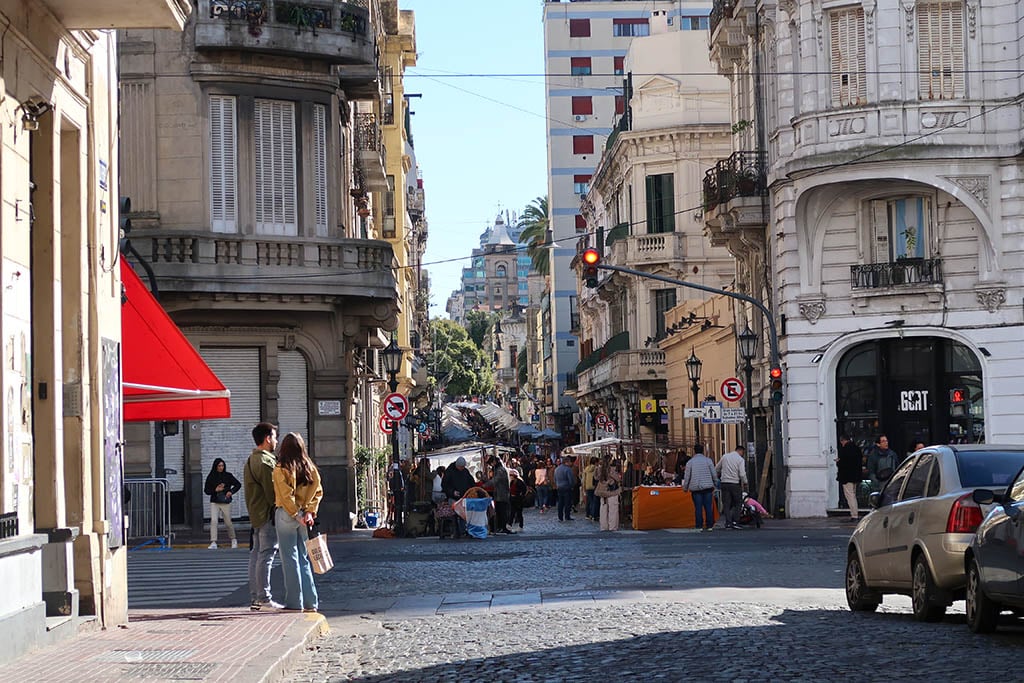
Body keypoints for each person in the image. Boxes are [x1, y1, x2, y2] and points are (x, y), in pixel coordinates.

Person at [273, 432, 323, 612]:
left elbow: (285, 496)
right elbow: (318, 491)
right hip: (305, 516)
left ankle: (295, 602)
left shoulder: (281, 468)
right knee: (303, 558)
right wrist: (309, 512)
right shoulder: (310, 467)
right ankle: (311, 602)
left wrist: (296, 514)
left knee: (289, 559)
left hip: (287, 515)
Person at [244, 422, 281, 610]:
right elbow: (272, 493)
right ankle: (264, 598)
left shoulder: (252, 459)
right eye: (274, 437)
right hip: (266, 514)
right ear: (267, 439)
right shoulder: (266, 461)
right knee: (266, 554)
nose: (276, 440)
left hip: (256, 513)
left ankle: (255, 597)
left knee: (256, 554)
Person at [204, 457, 241, 549]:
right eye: (219, 466)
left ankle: (233, 539)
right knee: (214, 521)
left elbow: (238, 484)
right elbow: (206, 490)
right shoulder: (211, 476)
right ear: (215, 466)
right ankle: (213, 541)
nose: (221, 467)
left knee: (228, 522)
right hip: (215, 501)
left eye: (222, 466)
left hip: (226, 501)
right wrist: (215, 490)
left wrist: (231, 492)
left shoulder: (228, 476)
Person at [683, 444, 718, 532]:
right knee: (708, 507)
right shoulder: (708, 461)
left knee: (698, 508)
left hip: (696, 488)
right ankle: (709, 525)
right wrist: (715, 482)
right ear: (702, 451)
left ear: (694, 451)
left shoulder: (690, 462)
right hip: (707, 487)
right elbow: (714, 474)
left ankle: (699, 525)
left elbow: (687, 476)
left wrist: (685, 487)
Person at [442, 457, 475, 537]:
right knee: (458, 509)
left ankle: (465, 530)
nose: (462, 469)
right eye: (461, 467)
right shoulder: (449, 471)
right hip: (453, 498)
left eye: (463, 467)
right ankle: (459, 530)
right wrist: (452, 492)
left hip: (464, 497)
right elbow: (444, 485)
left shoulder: (465, 471)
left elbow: (471, 482)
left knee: (469, 509)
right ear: (457, 465)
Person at [716, 446, 748, 530]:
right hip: (734, 483)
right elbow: (742, 473)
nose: (743, 455)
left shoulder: (725, 457)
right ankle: (735, 521)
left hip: (724, 483)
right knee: (738, 502)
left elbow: (717, 468)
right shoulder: (740, 460)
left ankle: (728, 523)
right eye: (743, 453)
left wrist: (718, 476)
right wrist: (745, 482)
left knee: (726, 504)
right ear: (741, 451)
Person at [836, 435, 864, 521]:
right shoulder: (856, 448)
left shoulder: (844, 450)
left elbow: (843, 464)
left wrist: (838, 462)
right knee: (853, 494)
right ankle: (855, 513)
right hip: (855, 476)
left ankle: (854, 515)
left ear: (843, 441)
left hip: (846, 477)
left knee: (850, 496)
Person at [486, 456, 514, 534]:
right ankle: (501, 527)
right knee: (500, 511)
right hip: (501, 494)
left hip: (501, 495)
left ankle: (502, 527)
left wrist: (485, 485)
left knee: (501, 511)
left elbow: (495, 480)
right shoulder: (500, 469)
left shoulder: (500, 470)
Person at [595, 460, 622, 532]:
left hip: (602, 492)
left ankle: (604, 526)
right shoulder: (612, 470)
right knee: (613, 509)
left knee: (603, 509)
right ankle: (612, 527)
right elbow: (618, 479)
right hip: (612, 492)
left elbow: (595, 478)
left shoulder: (598, 470)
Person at [554, 455, 578, 522]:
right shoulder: (568, 469)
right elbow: (571, 479)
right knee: (567, 503)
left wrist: (557, 485)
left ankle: (560, 517)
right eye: (570, 462)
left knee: (560, 503)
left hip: (559, 487)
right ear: (567, 462)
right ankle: (567, 516)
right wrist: (572, 486)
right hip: (567, 487)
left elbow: (555, 479)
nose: (571, 463)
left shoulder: (557, 469)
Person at [583, 456, 599, 521]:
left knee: (589, 501)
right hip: (594, 486)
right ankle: (593, 515)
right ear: (596, 462)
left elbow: (584, 479)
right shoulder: (597, 468)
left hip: (587, 486)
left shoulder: (586, 469)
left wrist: (584, 487)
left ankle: (588, 514)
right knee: (594, 501)